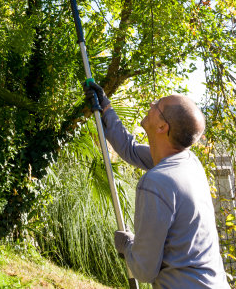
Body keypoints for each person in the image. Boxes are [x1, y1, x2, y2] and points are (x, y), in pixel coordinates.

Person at [85, 84, 230, 288]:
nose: (152, 104)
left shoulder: (156, 183)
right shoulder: (188, 161)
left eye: (158, 106)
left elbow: (144, 270)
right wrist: (106, 109)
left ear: (163, 127)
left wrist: (127, 245)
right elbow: (130, 149)